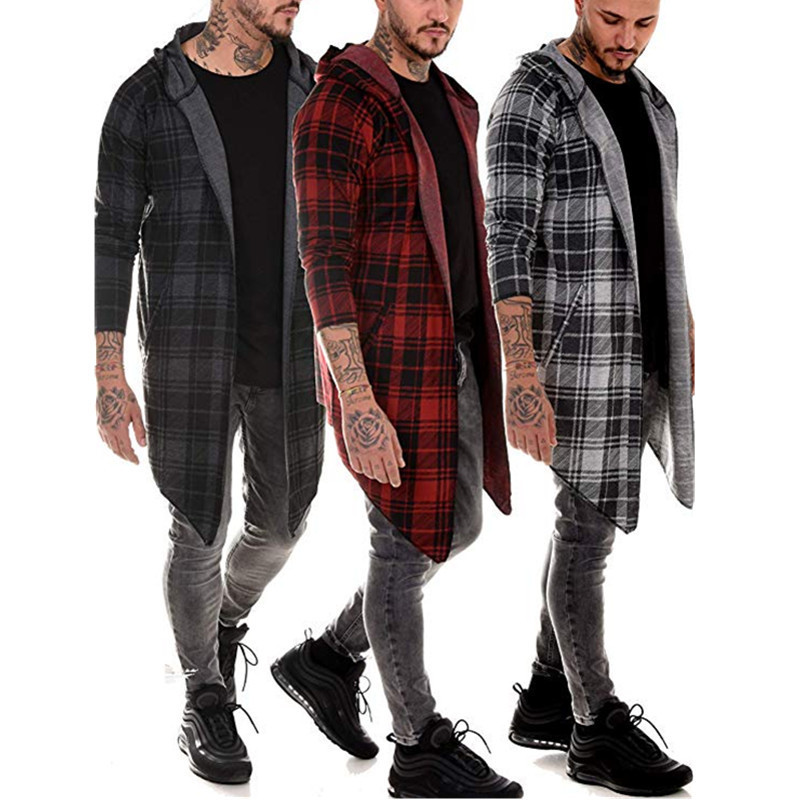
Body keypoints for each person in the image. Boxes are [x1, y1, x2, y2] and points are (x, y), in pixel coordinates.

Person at [272, 1, 522, 797]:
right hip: (387, 367)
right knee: (401, 544)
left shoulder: (454, 100)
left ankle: (329, 656)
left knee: (454, 527)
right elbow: (321, 258)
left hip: (455, 353)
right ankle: (417, 743)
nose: (439, 10)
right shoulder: (339, 103)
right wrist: (357, 399)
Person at [94, 0, 323, 784]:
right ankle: (204, 693)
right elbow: (112, 234)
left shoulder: (314, 88)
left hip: (291, 347)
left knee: (283, 524)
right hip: (191, 351)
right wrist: (109, 372)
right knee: (199, 526)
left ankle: (223, 621)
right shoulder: (146, 98)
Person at [485, 0, 694, 795]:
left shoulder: (653, 103)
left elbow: (660, 228)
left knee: (588, 516)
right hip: (574, 352)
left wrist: (683, 328)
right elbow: (505, 236)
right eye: (612, 18)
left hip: (638, 343)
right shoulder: (532, 93)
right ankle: (595, 725)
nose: (627, 39)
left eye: (645, 22)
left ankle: (547, 692)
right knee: (586, 527)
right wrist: (521, 373)